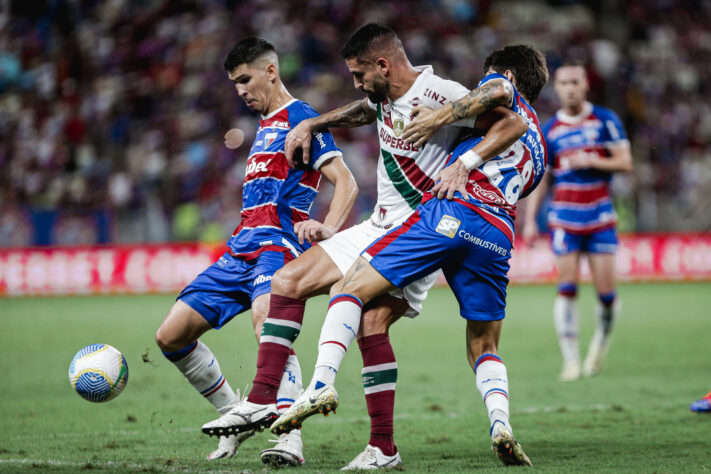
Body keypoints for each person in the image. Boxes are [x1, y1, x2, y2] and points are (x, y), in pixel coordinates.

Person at [205, 40, 548, 468]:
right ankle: (265, 401)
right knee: (287, 282)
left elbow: (502, 107)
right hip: (471, 229)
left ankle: (335, 406)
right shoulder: (538, 149)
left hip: (429, 220)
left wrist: (449, 128)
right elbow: (371, 109)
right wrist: (314, 124)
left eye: (359, 74)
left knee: (360, 309)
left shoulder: (452, 93)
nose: (355, 82)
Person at [154, 37, 357, 466]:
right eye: (234, 83)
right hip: (239, 248)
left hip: (278, 244)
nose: (240, 90)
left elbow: (347, 181)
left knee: (269, 321)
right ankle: (235, 416)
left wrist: (329, 228)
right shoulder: (264, 125)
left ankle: (289, 437)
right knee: (171, 336)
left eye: (245, 79)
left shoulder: (300, 117)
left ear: (270, 71)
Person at [522, 62, 633, 381]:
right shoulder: (550, 129)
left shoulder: (605, 120)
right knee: (567, 288)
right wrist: (530, 221)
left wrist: (593, 159)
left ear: (586, 86)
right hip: (565, 221)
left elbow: (625, 162)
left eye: (575, 82)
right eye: (564, 83)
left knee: (606, 294)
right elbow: (542, 178)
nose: (569, 88)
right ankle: (570, 361)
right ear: (556, 88)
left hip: (599, 218)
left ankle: (600, 341)